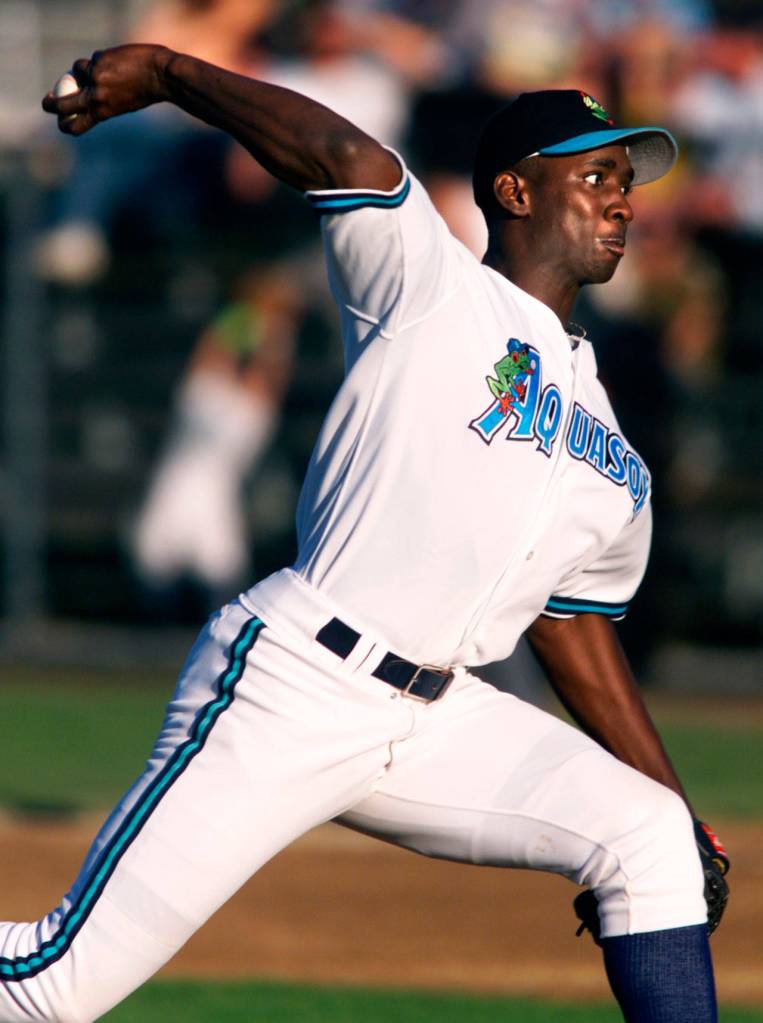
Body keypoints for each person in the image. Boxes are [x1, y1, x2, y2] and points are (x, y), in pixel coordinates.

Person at [1, 46, 730, 1023]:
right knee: (49, 989)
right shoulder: (430, 287)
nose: (623, 200)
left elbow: (572, 627)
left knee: (649, 838)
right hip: (300, 681)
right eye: (595, 174)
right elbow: (342, 152)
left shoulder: (610, 446)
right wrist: (173, 77)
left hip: (439, 721)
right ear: (514, 191)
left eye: (627, 181)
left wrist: (678, 808)